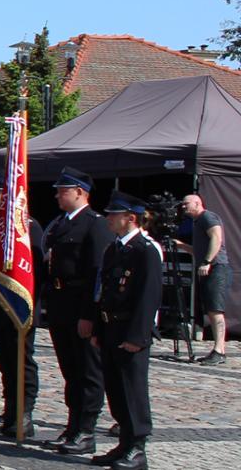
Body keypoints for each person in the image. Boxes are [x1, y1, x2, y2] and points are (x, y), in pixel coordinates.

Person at [41, 167, 114, 455]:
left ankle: (86, 429)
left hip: (80, 304)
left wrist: (89, 314)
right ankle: (72, 426)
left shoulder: (95, 225)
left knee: (88, 371)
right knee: (70, 369)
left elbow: (97, 272)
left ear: (80, 193)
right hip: (60, 303)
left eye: (63, 190)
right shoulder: (60, 224)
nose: (58, 195)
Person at [92, 194, 162, 470]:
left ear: (130, 218)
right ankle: (124, 441)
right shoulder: (114, 249)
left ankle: (137, 446)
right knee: (115, 387)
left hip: (130, 329)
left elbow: (149, 296)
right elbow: (103, 293)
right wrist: (99, 327)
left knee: (132, 388)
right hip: (111, 326)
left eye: (113, 214)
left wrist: (138, 336)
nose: (108, 218)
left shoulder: (145, 250)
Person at [0, 173, 47, 438]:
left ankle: (25, 412)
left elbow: (37, 269)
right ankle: (10, 409)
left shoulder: (28, 227)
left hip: (21, 304)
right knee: (6, 360)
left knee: (22, 359)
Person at [174, 193, 227, 365]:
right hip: (208, 267)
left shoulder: (207, 217)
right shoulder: (196, 222)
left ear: (197, 203)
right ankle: (218, 350)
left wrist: (207, 262)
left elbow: (216, 238)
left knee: (215, 309)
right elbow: (197, 249)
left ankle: (219, 350)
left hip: (216, 268)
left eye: (186, 203)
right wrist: (181, 245)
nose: (183, 207)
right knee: (210, 310)